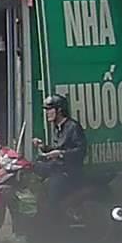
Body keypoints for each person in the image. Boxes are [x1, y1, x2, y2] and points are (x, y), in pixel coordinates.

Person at [32, 94, 87, 233]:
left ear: (59, 110)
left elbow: (80, 151)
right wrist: (43, 147)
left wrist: (61, 154)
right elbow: (57, 148)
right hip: (58, 167)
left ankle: (54, 229)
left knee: (52, 192)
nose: (47, 113)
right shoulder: (58, 127)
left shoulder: (73, 127)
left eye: (49, 109)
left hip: (69, 171)